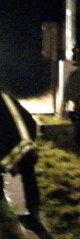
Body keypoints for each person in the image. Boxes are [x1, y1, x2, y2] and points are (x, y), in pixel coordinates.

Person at [0, 90, 41, 226]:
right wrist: (30, 141)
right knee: (29, 176)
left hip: (8, 146)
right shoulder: (6, 96)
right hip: (25, 143)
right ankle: (33, 212)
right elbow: (30, 120)